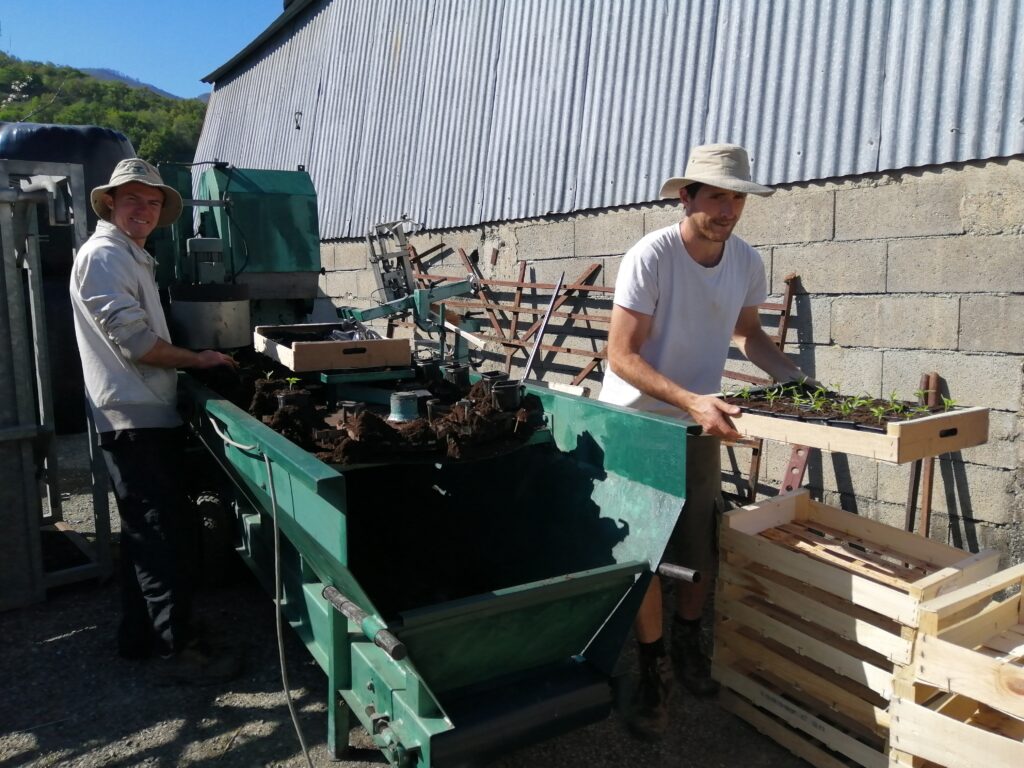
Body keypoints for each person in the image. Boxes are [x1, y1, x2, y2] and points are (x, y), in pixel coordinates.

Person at [599, 144, 813, 740]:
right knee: (642, 549)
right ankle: (652, 667)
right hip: (637, 423)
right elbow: (620, 355)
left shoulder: (745, 260)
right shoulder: (654, 255)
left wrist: (800, 381)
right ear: (686, 197)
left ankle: (690, 647)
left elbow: (750, 337)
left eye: (738, 196)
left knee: (697, 544)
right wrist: (690, 398)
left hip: (698, 423)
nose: (729, 208)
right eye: (716, 195)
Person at [70, 158, 241, 684]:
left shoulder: (132, 255)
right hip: (133, 418)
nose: (142, 209)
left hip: (145, 412)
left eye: (151, 202)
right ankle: (181, 651)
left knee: (147, 532)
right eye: (132, 200)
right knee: (164, 536)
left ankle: (139, 637)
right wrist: (200, 359)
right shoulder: (104, 256)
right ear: (111, 204)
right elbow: (139, 344)